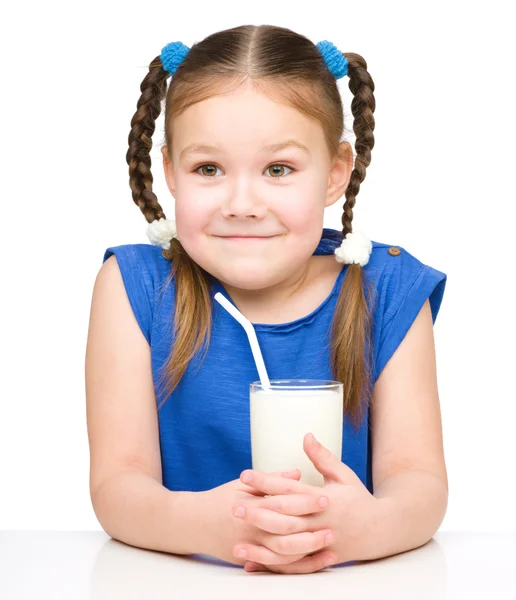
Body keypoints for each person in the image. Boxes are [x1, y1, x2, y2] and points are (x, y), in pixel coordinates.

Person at [86, 24, 448, 575]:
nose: (242, 203)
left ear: (335, 174)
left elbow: (419, 483)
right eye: (208, 169)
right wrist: (209, 524)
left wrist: (362, 527)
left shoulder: (389, 290)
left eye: (278, 169)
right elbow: (118, 484)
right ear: (170, 174)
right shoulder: (135, 287)